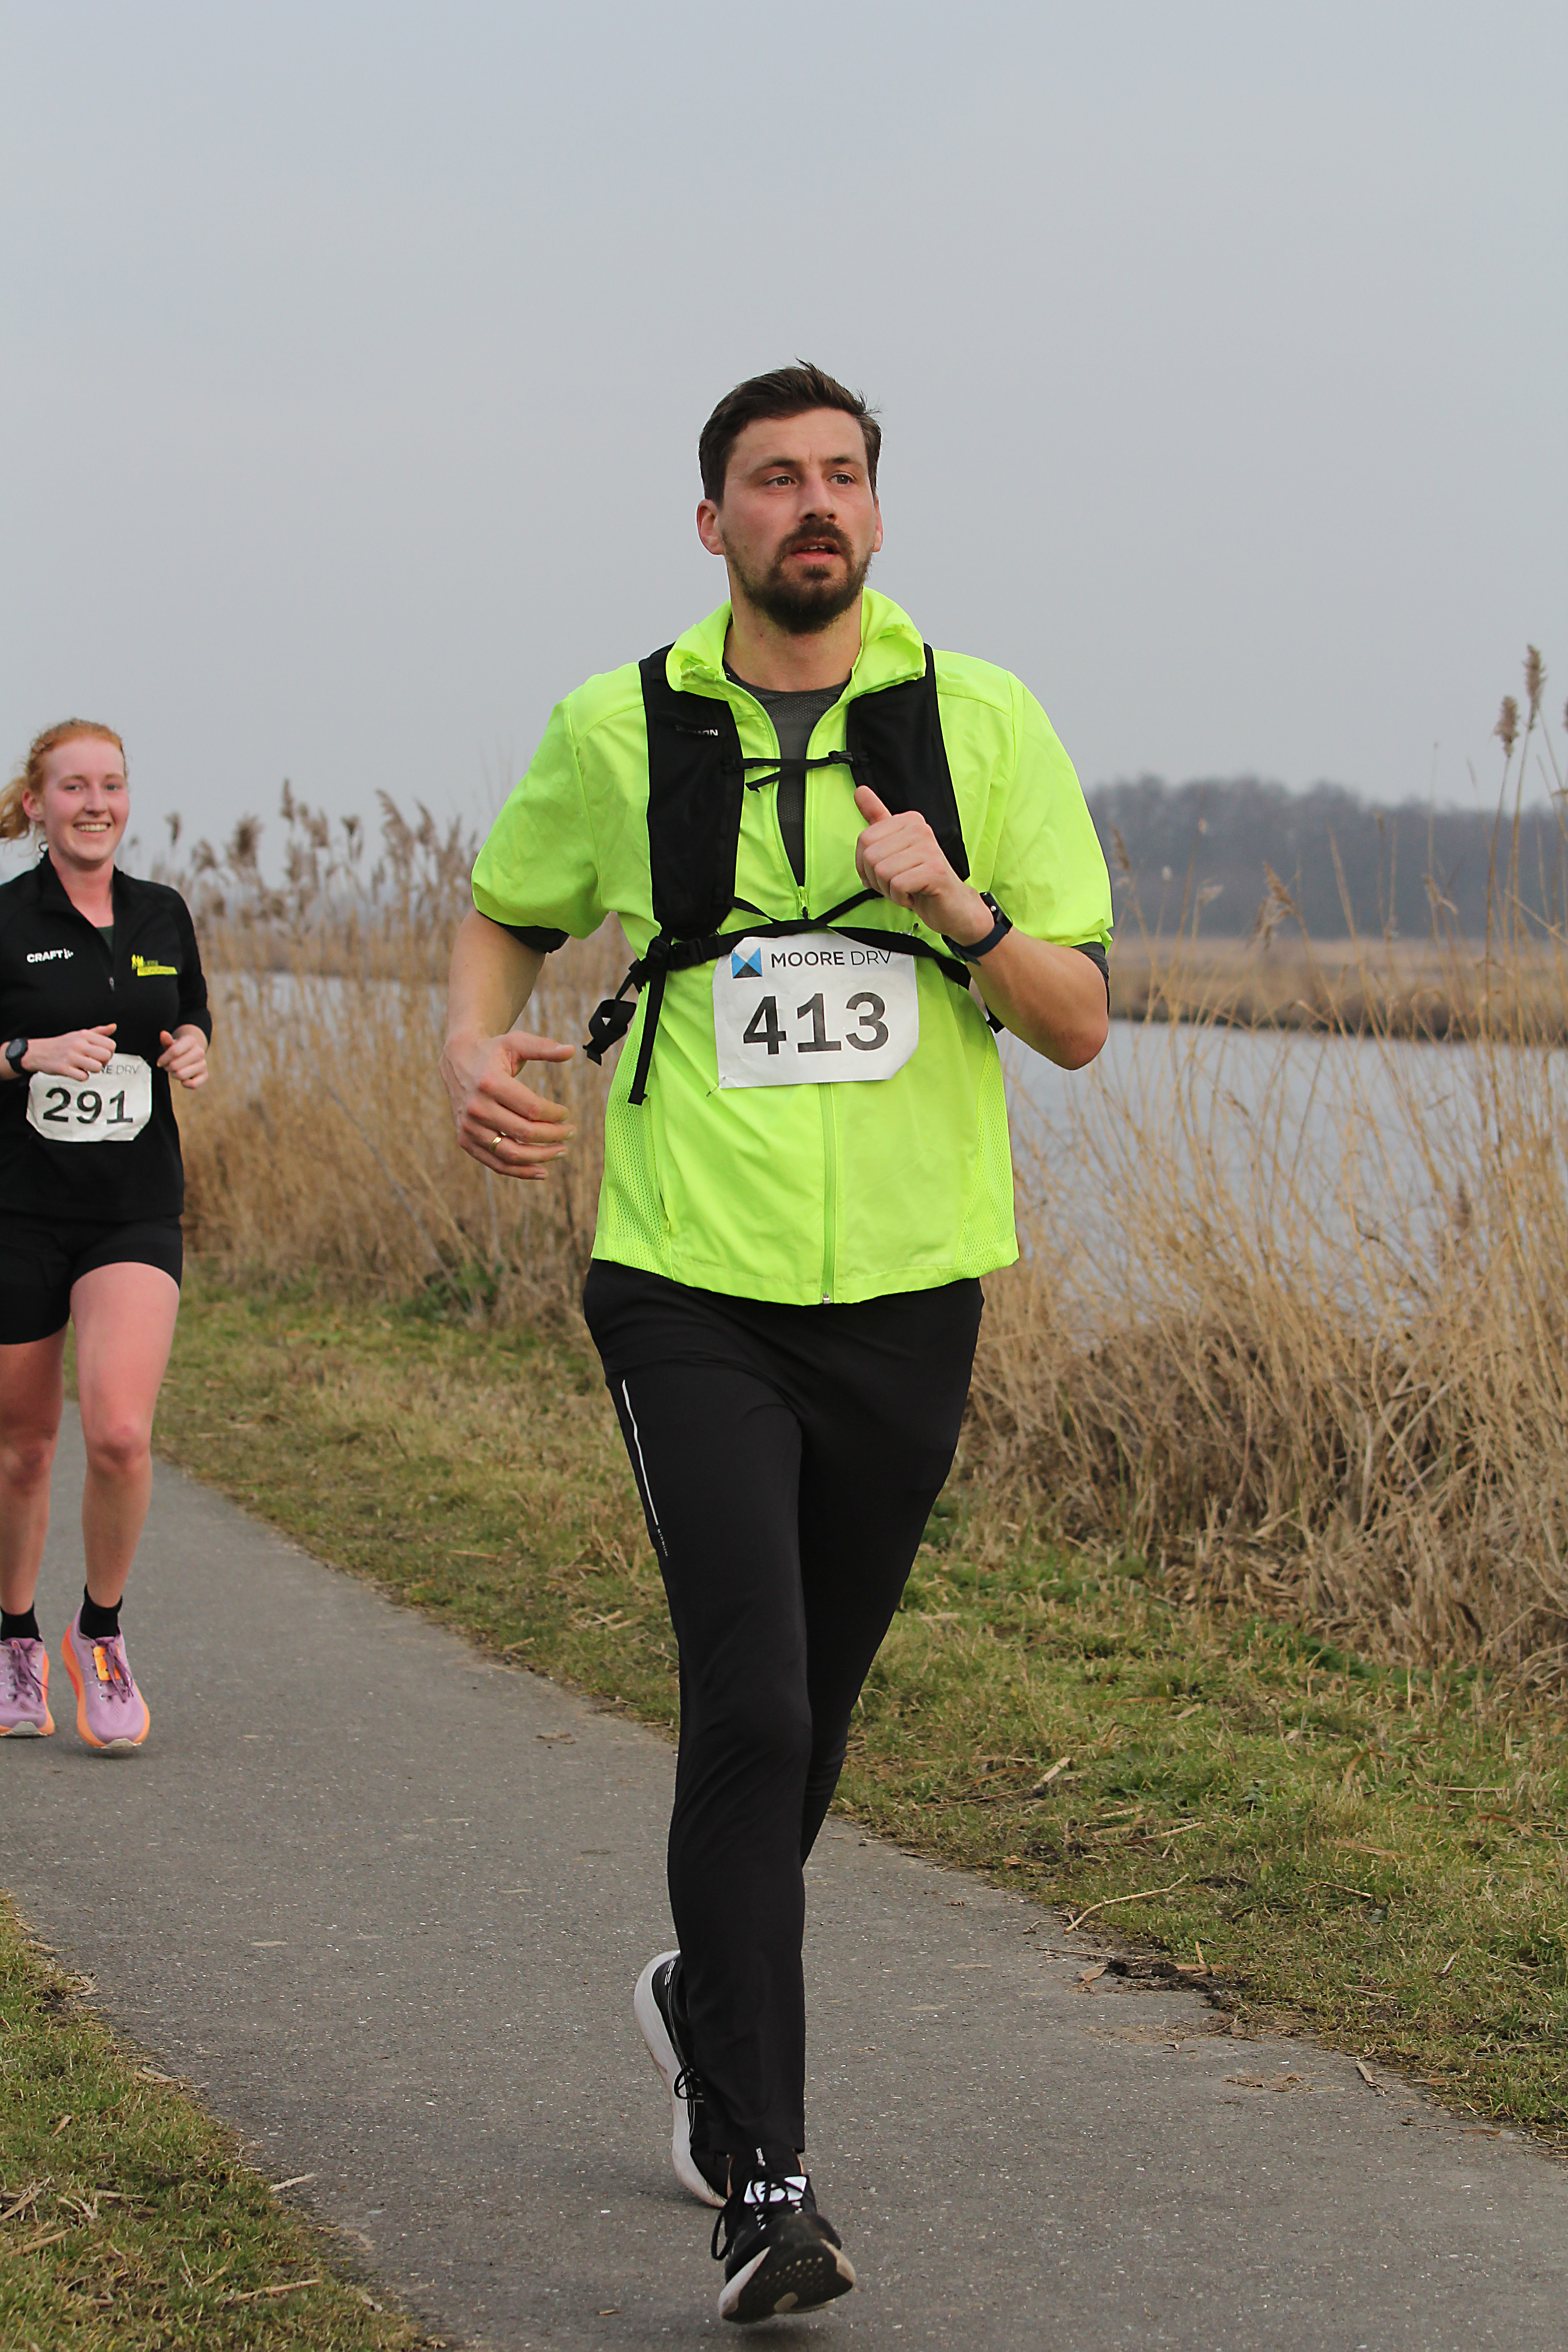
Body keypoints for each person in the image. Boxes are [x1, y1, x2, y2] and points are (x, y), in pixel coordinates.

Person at [441, 364, 1111, 2323]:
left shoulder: (985, 721)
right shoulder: (615, 725)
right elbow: (499, 917)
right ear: (712, 520)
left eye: (840, 478)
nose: (810, 506)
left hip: (909, 1292)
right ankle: (769, 2184)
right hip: (689, 1280)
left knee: (805, 1729)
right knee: (747, 1700)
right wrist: (472, 1051)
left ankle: (695, 1995)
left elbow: (1074, 1021)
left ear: (878, 516)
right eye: (770, 480)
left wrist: (961, 907)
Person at [0, 721, 210, 1753]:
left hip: (131, 1205)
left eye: (112, 785)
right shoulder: (5, 920)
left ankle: (102, 1632)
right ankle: (12, 1637)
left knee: (119, 1433)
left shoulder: (162, 913)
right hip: (17, 1211)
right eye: (72, 786)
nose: (96, 802)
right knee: (24, 1447)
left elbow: (191, 1013)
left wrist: (194, 1046)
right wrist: (26, 1051)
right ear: (34, 805)